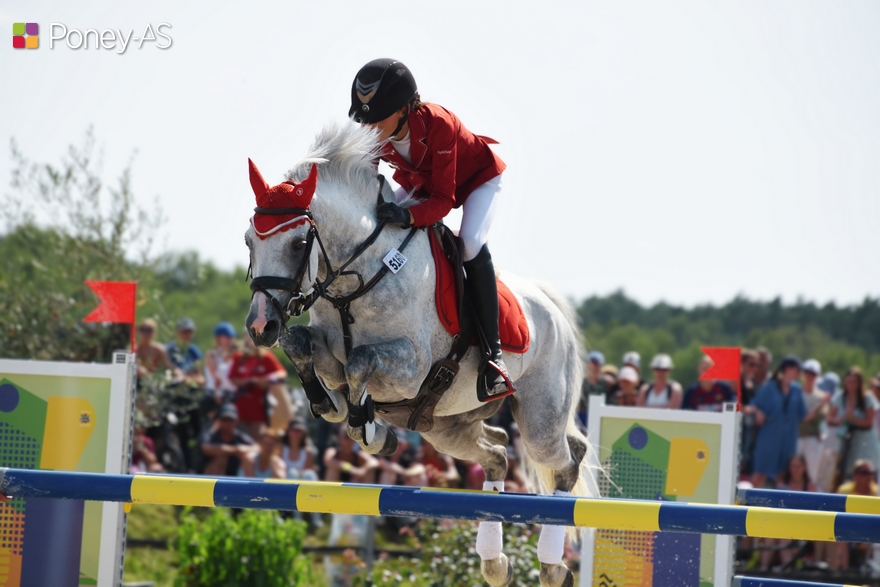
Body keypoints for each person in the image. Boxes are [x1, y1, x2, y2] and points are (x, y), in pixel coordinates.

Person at [348, 58, 510, 398]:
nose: (371, 127)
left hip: (474, 181)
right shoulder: (377, 131)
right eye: (367, 119)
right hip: (424, 184)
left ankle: (494, 358)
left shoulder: (439, 124)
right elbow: (366, 179)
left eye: (378, 118)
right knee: (378, 225)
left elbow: (443, 200)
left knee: (469, 242)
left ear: (404, 109)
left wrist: (408, 217)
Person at [750, 356, 807, 489]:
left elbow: (803, 414)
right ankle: (749, 500)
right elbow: (755, 405)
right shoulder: (770, 387)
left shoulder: (797, 390)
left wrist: (821, 405)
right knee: (760, 473)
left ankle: (777, 501)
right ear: (787, 369)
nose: (799, 373)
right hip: (769, 436)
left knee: (782, 474)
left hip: (788, 438)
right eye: (797, 369)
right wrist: (758, 412)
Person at [760, 455, 817, 570]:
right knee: (772, 535)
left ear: (804, 467)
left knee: (783, 535)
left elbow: (814, 511)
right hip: (784, 523)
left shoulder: (810, 487)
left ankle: (786, 569)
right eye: (793, 466)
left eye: (798, 466)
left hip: (803, 526)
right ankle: (763, 568)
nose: (795, 469)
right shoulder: (782, 486)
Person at [827, 367, 880, 482]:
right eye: (848, 381)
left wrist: (853, 419)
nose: (851, 384)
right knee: (847, 473)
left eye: (854, 382)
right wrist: (842, 419)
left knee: (866, 472)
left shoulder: (866, 398)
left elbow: (869, 423)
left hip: (865, 442)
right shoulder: (840, 397)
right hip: (846, 441)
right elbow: (829, 419)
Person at [230, 337, 289, 440]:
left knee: (256, 437)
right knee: (239, 437)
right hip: (241, 405)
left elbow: (281, 373)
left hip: (258, 407)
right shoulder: (239, 357)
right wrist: (247, 382)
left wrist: (266, 379)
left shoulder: (266, 357)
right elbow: (232, 378)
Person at [832, 459, 879, 571]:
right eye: (864, 473)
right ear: (856, 475)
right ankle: (845, 571)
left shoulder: (877, 492)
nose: (868, 476)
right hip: (849, 526)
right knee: (842, 536)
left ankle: (868, 572)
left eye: (871, 473)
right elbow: (839, 513)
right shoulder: (844, 490)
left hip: (870, 527)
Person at [798, 359, 831, 483]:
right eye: (807, 373)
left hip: (812, 438)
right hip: (795, 437)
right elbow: (803, 417)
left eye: (813, 374)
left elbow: (821, 418)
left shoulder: (821, 396)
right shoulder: (796, 393)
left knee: (813, 475)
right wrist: (818, 406)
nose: (810, 376)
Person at [199, 404, 256, 477]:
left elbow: (256, 447)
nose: (227, 423)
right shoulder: (211, 434)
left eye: (231, 420)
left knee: (248, 457)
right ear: (219, 420)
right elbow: (205, 448)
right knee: (221, 459)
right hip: (208, 476)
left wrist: (243, 450)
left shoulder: (240, 435)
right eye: (224, 419)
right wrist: (236, 450)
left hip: (235, 475)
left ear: (236, 420)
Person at [816, 372, 843, 493]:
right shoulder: (824, 403)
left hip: (832, 445)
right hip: (823, 445)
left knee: (828, 476)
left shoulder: (837, 404)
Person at [204, 321, 239, 411]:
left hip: (230, 394)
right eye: (227, 337)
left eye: (231, 336)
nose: (230, 339)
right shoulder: (212, 354)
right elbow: (216, 380)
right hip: (215, 395)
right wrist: (218, 394)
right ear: (219, 338)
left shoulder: (234, 354)